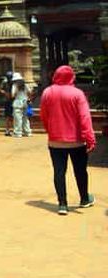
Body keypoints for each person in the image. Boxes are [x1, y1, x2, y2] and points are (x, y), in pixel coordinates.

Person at [40, 65, 96, 216]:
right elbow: (84, 118)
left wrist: (50, 129)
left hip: (55, 141)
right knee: (80, 171)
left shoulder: (47, 92)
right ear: (72, 77)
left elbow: (44, 116)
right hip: (76, 141)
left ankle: (62, 204)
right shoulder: (77, 94)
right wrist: (89, 138)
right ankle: (84, 199)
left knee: (59, 171)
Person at [11, 72, 32, 138]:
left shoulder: (14, 86)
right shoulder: (25, 85)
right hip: (25, 102)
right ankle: (27, 132)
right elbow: (30, 92)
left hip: (17, 102)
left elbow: (12, 95)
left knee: (18, 118)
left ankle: (18, 132)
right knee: (25, 118)